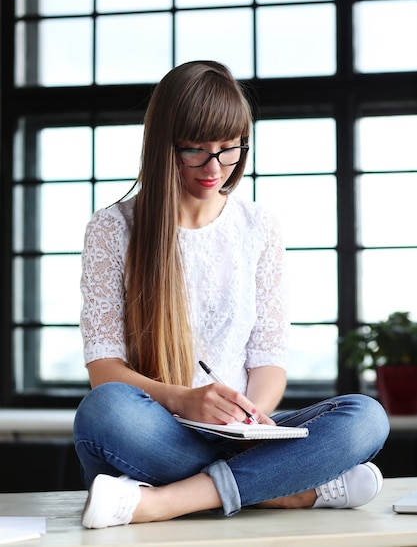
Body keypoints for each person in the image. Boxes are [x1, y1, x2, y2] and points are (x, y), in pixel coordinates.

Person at [73, 60, 390, 529]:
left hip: (246, 434)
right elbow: (105, 372)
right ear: (164, 146)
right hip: (160, 431)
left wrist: (254, 418)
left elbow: (267, 360)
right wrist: (185, 399)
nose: (215, 168)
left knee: (366, 416)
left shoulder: (258, 226)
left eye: (229, 150)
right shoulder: (113, 228)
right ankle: (285, 490)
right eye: (196, 151)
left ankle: (166, 500)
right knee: (104, 411)